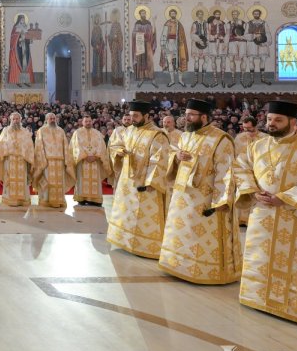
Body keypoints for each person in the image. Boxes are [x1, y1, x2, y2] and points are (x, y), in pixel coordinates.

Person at [234, 100, 297, 324]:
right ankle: (258, 298)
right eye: (269, 119)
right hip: (263, 214)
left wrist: (285, 198)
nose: (271, 124)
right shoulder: (256, 146)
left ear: (292, 122)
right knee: (261, 256)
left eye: (278, 120)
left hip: (295, 215)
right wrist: (251, 191)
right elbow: (241, 166)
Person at [158, 99, 240, 284]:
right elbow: (175, 156)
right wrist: (177, 157)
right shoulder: (186, 136)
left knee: (199, 236)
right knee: (181, 231)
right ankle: (176, 264)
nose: (186, 118)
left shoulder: (221, 139)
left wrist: (220, 201)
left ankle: (202, 270)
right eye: (185, 114)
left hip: (204, 197)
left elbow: (226, 171)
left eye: (191, 115)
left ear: (204, 117)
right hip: (182, 196)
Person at [106, 100, 173, 258]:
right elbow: (115, 145)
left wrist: (151, 182)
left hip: (145, 184)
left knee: (143, 217)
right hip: (126, 182)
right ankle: (125, 241)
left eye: (136, 116)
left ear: (147, 116)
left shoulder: (158, 134)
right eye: (131, 116)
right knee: (127, 212)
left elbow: (160, 160)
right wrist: (119, 152)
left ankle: (147, 246)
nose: (132, 119)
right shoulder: (129, 131)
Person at [32, 112, 74, 208]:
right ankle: (45, 200)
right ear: (46, 120)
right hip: (47, 161)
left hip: (60, 161)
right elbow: (39, 146)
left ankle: (59, 200)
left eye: (54, 118)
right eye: (50, 118)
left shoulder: (61, 131)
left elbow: (65, 146)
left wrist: (66, 160)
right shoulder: (41, 131)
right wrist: (42, 160)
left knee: (59, 182)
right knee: (47, 182)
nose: (52, 120)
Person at [0, 112, 34, 207]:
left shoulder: (25, 131)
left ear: (21, 120)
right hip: (10, 158)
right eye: (14, 119)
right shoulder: (6, 130)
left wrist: (22, 149)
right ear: (10, 120)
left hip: (22, 159)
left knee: (22, 179)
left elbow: (29, 144)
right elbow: (0, 143)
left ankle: (22, 200)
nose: (16, 121)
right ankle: (9, 199)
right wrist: (10, 146)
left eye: (17, 119)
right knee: (9, 178)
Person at [70, 113, 108, 206]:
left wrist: (96, 156)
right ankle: (82, 198)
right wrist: (85, 156)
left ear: (92, 122)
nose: (88, 123)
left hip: (95, 160)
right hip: (82, 161)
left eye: (89, 121)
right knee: (82, 179)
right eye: (86, 121)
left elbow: (101, 146)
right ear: (82, 122)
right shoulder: (77, 133)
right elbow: (76, 146)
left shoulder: (97, 133)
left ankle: (95, 199)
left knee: (95, 179)